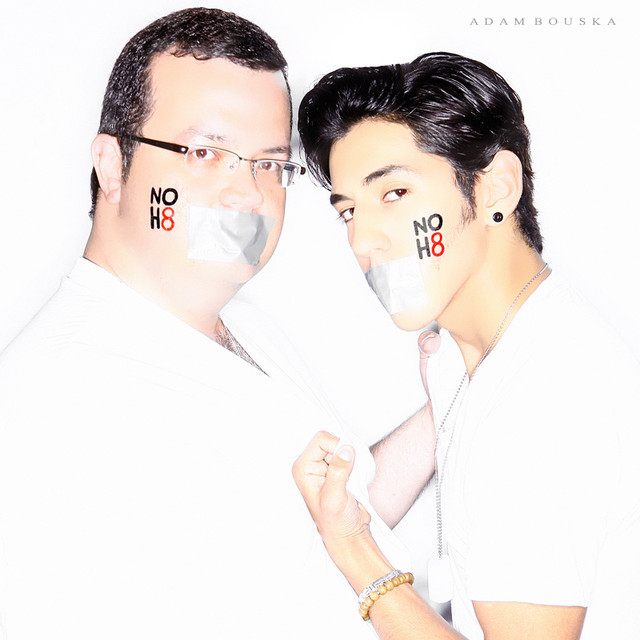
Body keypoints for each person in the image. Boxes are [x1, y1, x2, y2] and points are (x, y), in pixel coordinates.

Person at [0, 8, 409, 638]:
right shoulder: (63, 401)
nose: (247, 194)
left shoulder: (244, 325)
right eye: (204, 153)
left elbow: (331, 527)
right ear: (111, 165)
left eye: (268, 163)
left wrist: (456, 392)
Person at [293, 52, 640, 640]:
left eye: (394, 193)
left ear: (495, 187)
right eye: (348, 210)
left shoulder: (539, 406)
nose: (363, 240)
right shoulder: (477, 354)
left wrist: (356, 551)